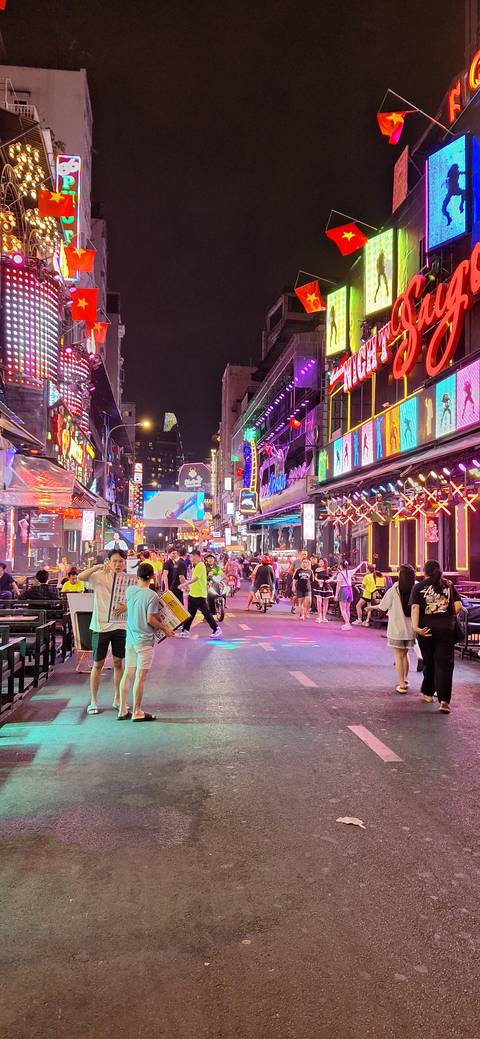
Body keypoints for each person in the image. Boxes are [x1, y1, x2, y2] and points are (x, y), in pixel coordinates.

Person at [117, 562, 173, 722]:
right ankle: (137, 711)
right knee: (140, 677)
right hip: (145, 641)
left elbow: (131, 606)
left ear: (137, 575)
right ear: (152, 576)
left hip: (130, 639)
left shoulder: (130, 590)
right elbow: (150, 619)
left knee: (128, 673)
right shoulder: (152, 596)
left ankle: (122, 710)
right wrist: (166, 629)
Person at [77, 550, 128, 715]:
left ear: (125, 562)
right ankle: (93, 701)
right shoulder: (99, 576)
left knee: (118, 663)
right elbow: (80, 577)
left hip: (120, 626)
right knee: (98, 664)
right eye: (115, 561)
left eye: (121, 561)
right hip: (100, 627)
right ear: (109, 561)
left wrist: (126, 606)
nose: (118, 564)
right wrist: (97, 567)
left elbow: (133, 600)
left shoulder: (128, 580)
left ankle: (118, 699)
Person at [410, 559, 462, 713]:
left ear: (424, 572)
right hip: (446, 630)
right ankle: (444, 701)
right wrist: (446, 617)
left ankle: (428, 694)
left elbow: (415, 607)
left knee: (430, 662)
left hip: (426, 629)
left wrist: (416, 627)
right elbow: (458, 606)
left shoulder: (418, 587)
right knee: (445, 664)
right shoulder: (448, 585)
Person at [376, 564, 416, 694]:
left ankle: (401, 684)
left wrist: (371, 608)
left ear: (400, 575)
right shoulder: (416, 588)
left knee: (399, 656)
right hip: (411, 629)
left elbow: (383, 606)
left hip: (397, 629)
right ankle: (405, 679)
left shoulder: (394, 589)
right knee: (405, 654)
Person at [178, 548, 221, 638]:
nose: (191, 559)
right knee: (191, 613)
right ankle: (185, 631)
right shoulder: (197, 565)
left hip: (199, 595)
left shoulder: (200, 565)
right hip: (194, 593)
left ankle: (216, 628)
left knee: (206, 613)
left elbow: (196, 579)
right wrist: (188, 588)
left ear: (197, 556)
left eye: (192, 557)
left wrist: (184, 584)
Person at [334, 561, 358, 630]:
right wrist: (362, 563)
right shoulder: (350, 572)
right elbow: (356, 568)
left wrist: (336, 595)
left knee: (343, 609)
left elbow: (338, 586)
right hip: (350, 589)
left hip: (343, 589)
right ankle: (347, 623)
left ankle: (347, 624)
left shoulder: (340, 574)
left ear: (341, 566)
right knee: (347, 608)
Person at [313, 558, 332, 623]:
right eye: (319, 562)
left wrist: (329, 580)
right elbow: (315, 577)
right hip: (319, 586)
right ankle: (319, 616)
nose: (320, 563)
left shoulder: (328, 569)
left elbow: (331, 577)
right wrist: (318, 580)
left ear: (325, 562)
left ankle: (324, 617)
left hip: (326, 586)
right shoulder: (317, 569)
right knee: (319, 601)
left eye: (322, 562)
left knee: (325, 602)